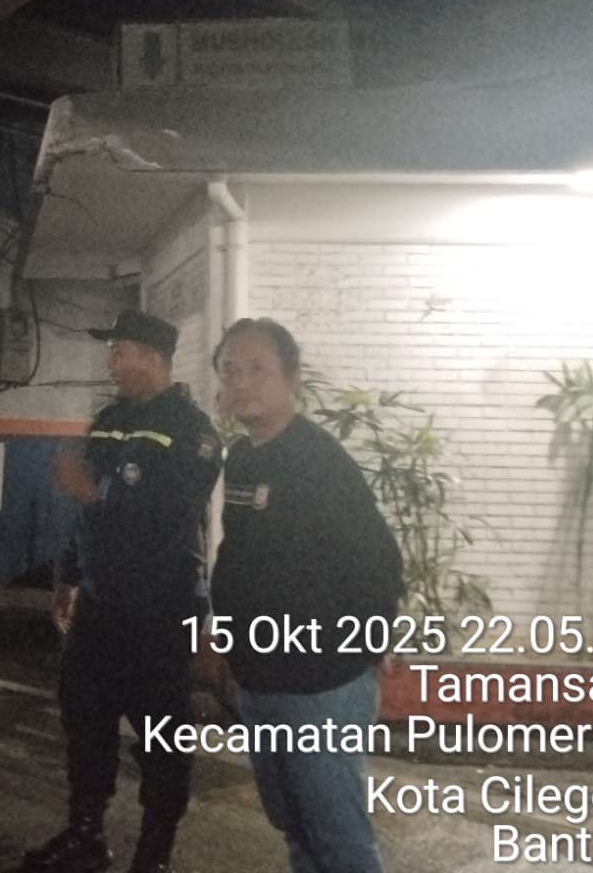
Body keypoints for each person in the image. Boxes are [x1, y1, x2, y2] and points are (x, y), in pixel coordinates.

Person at [21, 310, 221, 873]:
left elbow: (168, 515)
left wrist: (93, 492)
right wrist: (68, 576)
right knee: (85, 720)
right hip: (100, 604)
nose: (110, 362)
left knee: (162, 734)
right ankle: (85, 835)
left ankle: (153, 854)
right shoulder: (109, 420)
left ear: (153, 358)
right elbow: (83, 513)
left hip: (161, 609)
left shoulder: (193, 432)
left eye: (120, 351)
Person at [211, 318, 403, 873]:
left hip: (322, 684)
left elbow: (378, 558)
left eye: (257, 369)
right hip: (260, 676)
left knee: (338, 837)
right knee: (293, 824)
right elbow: (240, 555)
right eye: (230, 370)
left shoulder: (319, 460)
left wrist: (367, 642)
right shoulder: (243, 457)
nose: (241, 382)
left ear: (292, 380)